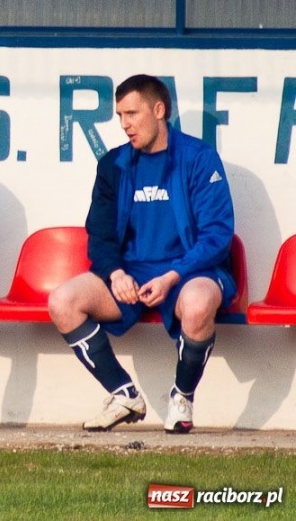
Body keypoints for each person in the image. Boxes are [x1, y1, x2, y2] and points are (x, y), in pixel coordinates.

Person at [48, 74, 236, 434]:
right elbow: (99, 234)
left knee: (197, 305)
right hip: (132, 274)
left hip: (189, 272)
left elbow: (217, 235)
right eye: (120, 115)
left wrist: (173, 275)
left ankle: (182, 397)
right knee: (62, 301)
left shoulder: (198, 158)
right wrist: (115, 273)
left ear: (159, 110)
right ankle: (124, 394)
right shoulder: (114, 164)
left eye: (132, 113)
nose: (125, 124)